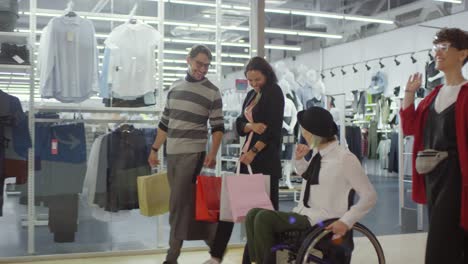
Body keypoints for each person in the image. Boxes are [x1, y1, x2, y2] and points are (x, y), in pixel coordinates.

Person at [244, 107, 377, 264]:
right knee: (252, 214)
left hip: (320, 220)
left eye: (304, 131)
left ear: (314, 134)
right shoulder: (318, 154)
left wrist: (346, 221)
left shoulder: (345, 159)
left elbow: (370, 196)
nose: (303, 135)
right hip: (304, 215)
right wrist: (299, 159)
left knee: (264, 218)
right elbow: (311, 177)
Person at [147, 45, 225, 264]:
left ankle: (171, 257)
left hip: (194, 154)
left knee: (177, 204)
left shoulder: (212, 91)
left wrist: (213, 152)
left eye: (206, 65)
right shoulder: (174, 88)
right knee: (187, 206)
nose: (202, 69)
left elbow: (218, 127)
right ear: (188, 60)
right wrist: (154, 149)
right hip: (172, 154)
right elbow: (165, 124)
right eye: (199, 63)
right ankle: (216, 248)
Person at [400, 28, 468, 264]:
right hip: (432, 174)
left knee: (441, 237)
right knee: (448, 235)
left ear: (462, 54)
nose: (437, 53)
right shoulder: (432, 95)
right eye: (435, 48)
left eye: (444, 47)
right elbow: (409, 128)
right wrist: (409, 93)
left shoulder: (467, 93)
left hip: (457, 175)